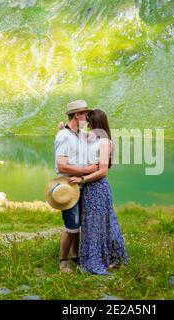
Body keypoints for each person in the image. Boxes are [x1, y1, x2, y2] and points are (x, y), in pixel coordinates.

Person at [69, 109, 128, 275]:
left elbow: (103, 171)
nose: (88, 125)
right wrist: (64, 128)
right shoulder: (92, 138)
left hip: (98, 188)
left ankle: (110, 258)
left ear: (97, 123)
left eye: (90, 122)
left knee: (102, 224)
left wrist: (82, 180)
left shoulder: (105, 143)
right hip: (89, 190)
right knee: (91, 224)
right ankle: (99, 257)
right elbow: (76, 135)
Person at [54, 100, 98, 274]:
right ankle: (63, 260)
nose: (87, 117)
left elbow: (96, 136)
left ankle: (76, 257)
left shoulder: (79, 134)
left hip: (80, 185)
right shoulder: (64, 136)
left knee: (78, 224)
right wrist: (85, 170)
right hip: (68, 186)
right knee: (71, 225)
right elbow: (62, 165)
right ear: (77, 115)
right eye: (85, 114)